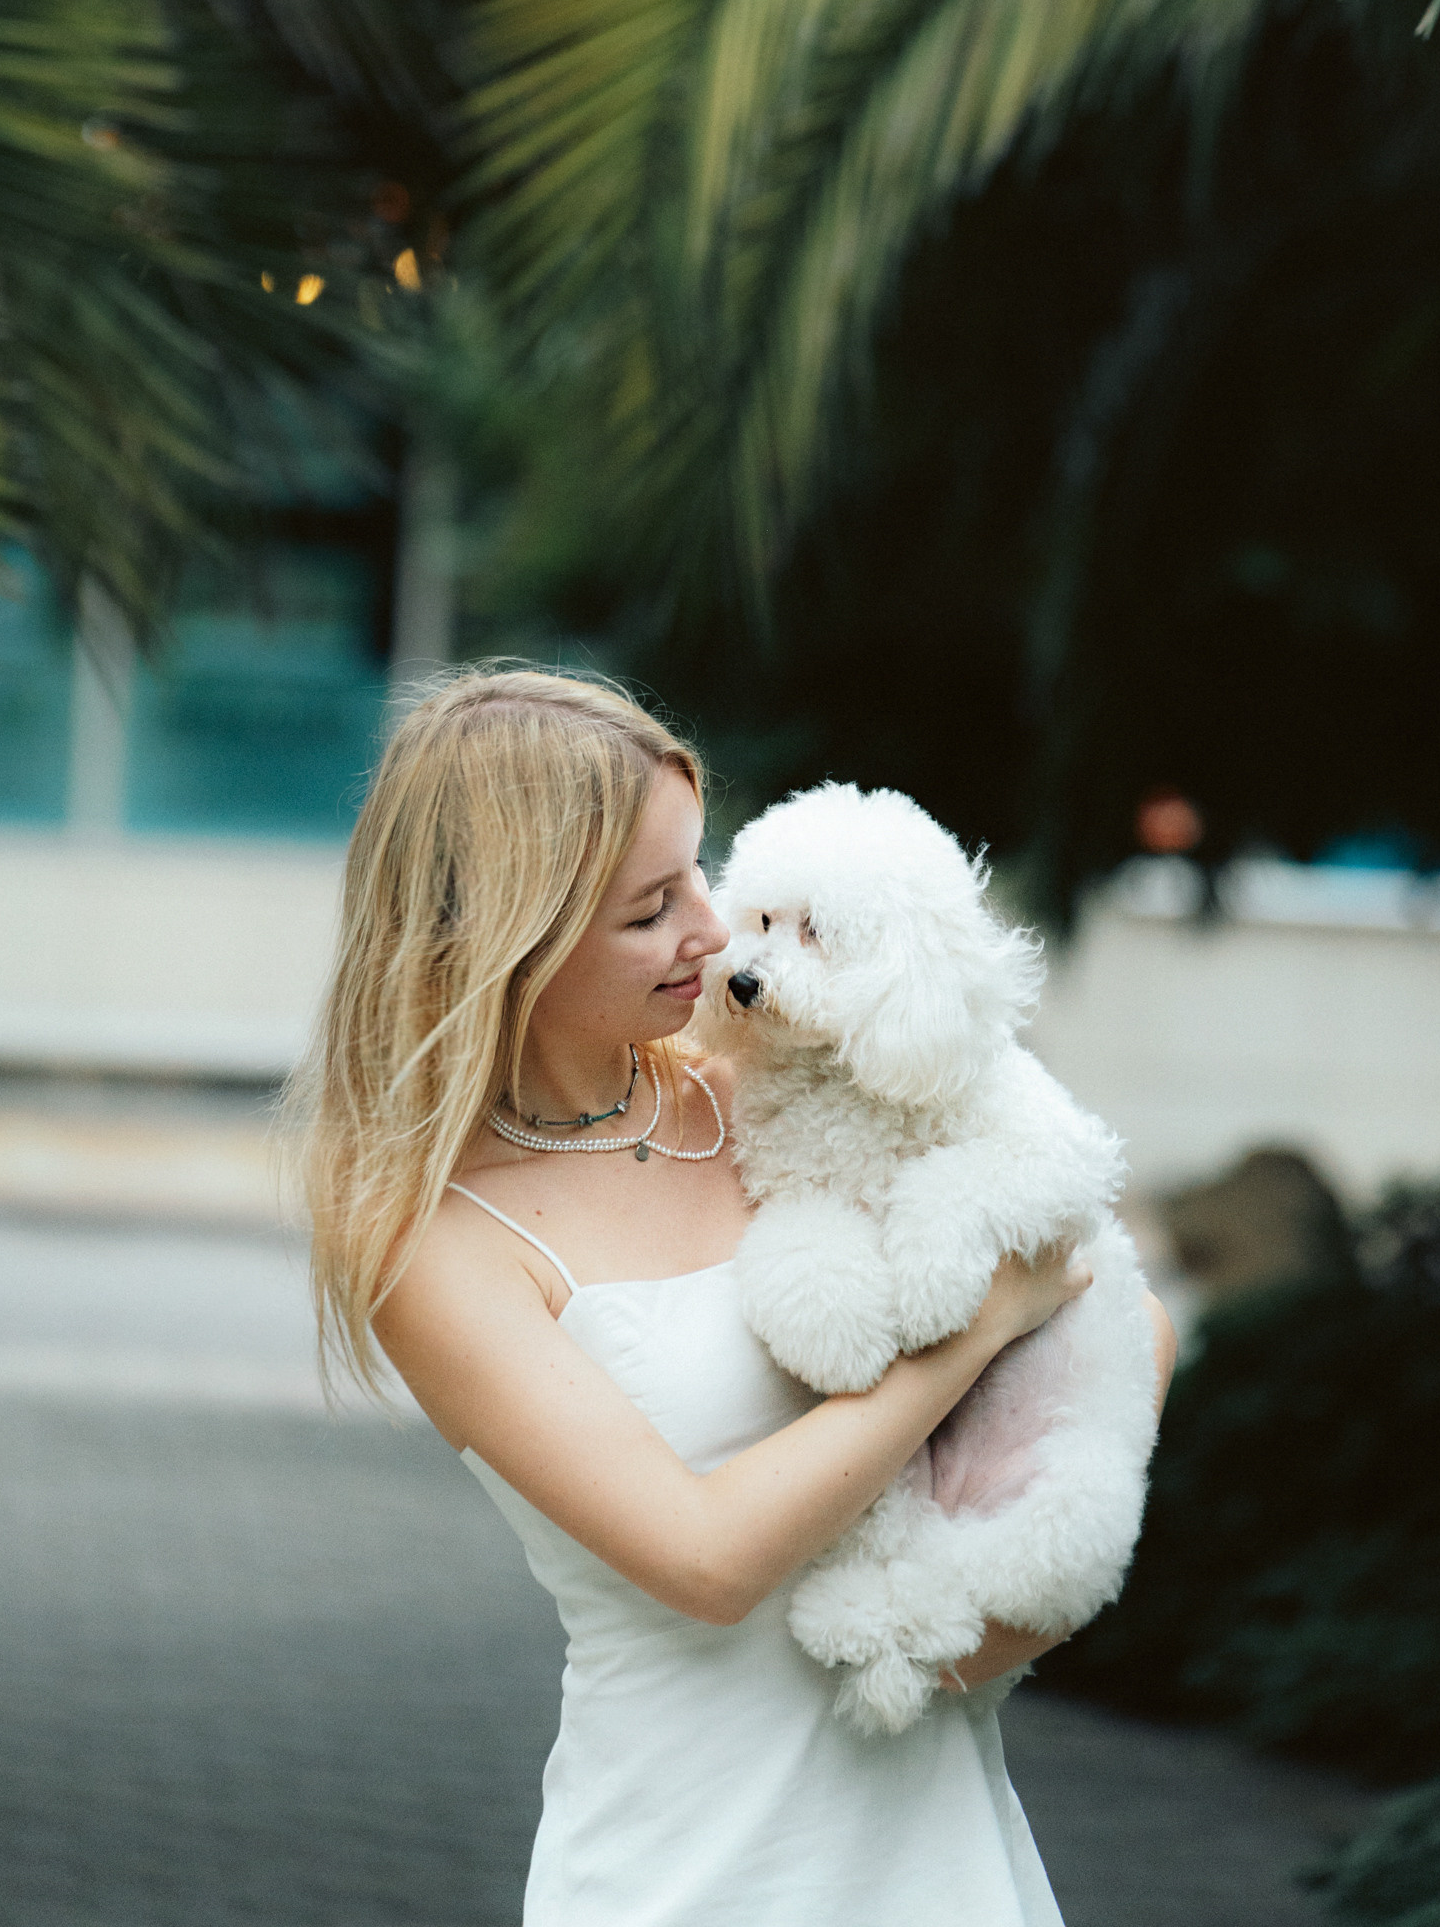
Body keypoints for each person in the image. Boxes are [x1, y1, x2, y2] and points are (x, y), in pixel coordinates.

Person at [293, 667, 1176, 1927]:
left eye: (700, 874)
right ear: (514, 938)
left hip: (937, 1855)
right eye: (651, 909)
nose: (713, 933)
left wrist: (1000, 1615)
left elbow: (1119, 1314)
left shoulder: (766, 1087)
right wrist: (978, 1326)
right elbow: (702, 1562)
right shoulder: (439, 1245)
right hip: (692, 1870)